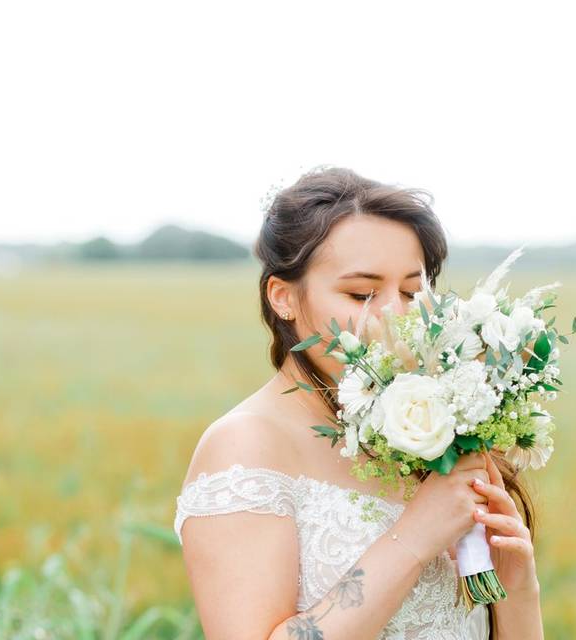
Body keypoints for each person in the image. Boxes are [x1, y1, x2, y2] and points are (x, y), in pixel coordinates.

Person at [173, 166, 544, 639]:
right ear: (283, 296)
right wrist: (412, 538)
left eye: (412, 291)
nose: (396, 314)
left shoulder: (427, 430)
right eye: (363, 293)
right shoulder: (244, 445)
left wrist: (518, 585)